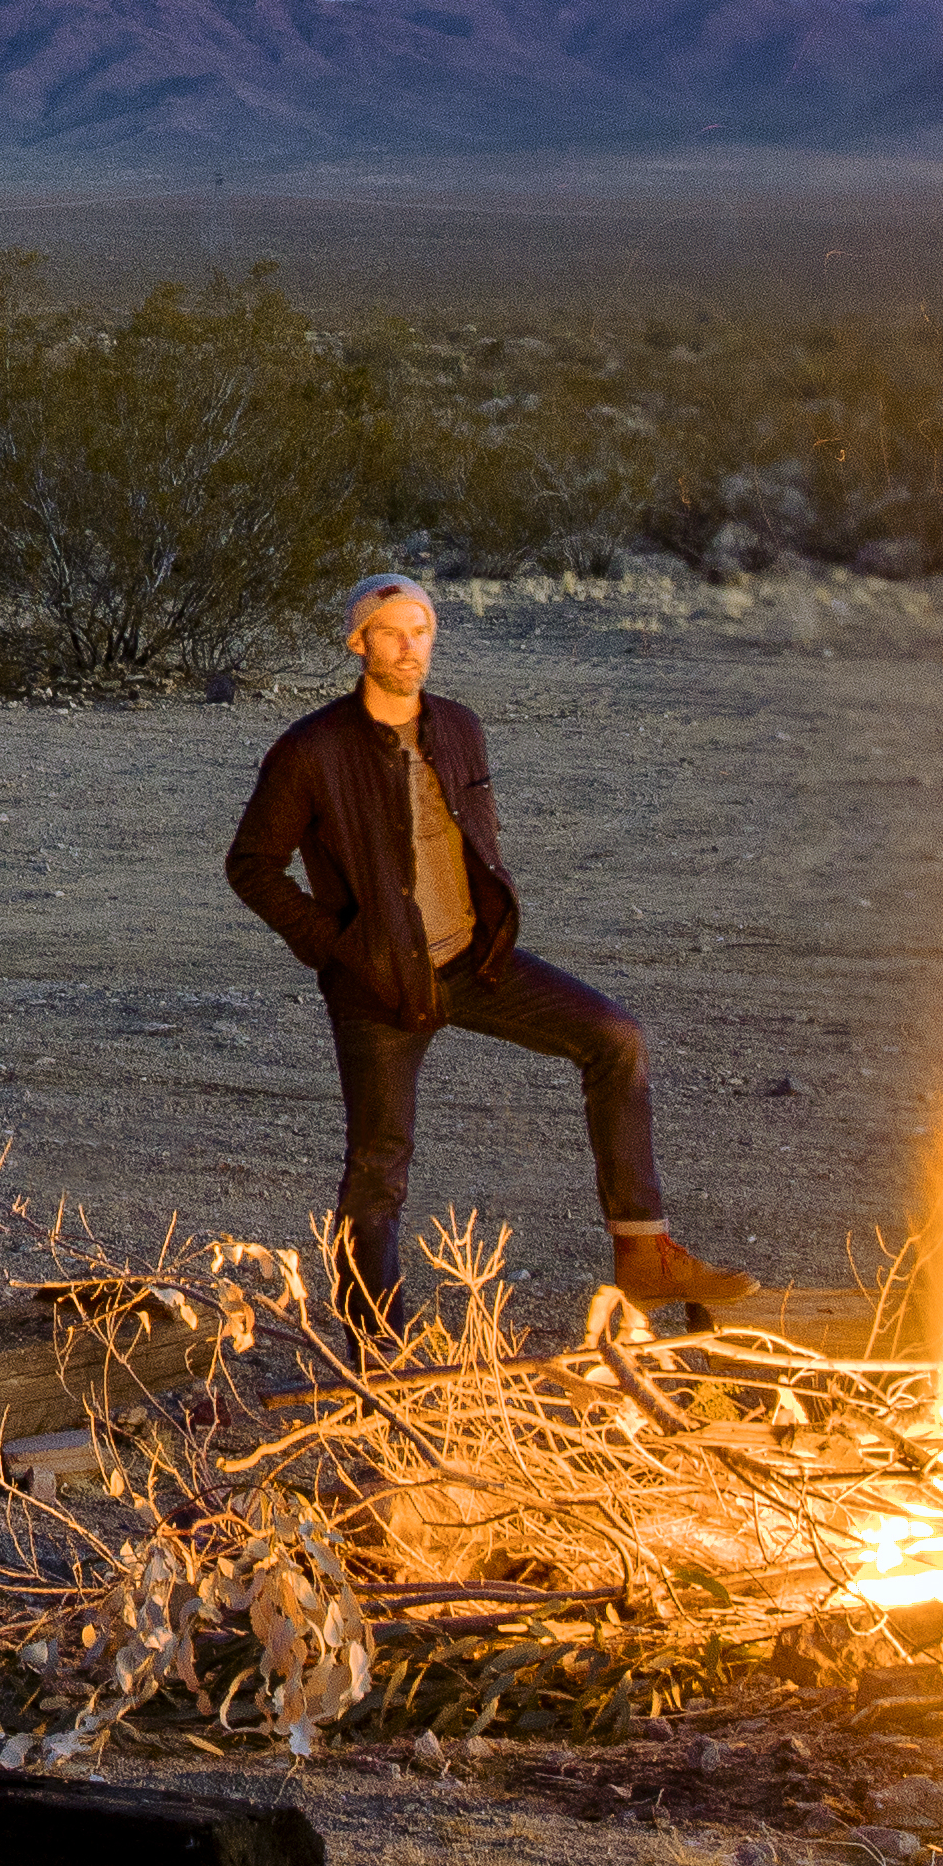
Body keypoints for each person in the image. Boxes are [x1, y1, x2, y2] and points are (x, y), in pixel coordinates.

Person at [222, 571, 756, 1336]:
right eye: (392, 632)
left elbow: (473, 841)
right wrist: (340, 950)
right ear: (358, 642)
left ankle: (643, 1251)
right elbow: (251, 866)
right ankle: (376, 1354)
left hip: (477, 963)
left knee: (616, 1039)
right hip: (379, 985)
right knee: (379, 1170)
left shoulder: (461, 727)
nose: (410, 647)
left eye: (422, 631)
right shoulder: (312, 749)